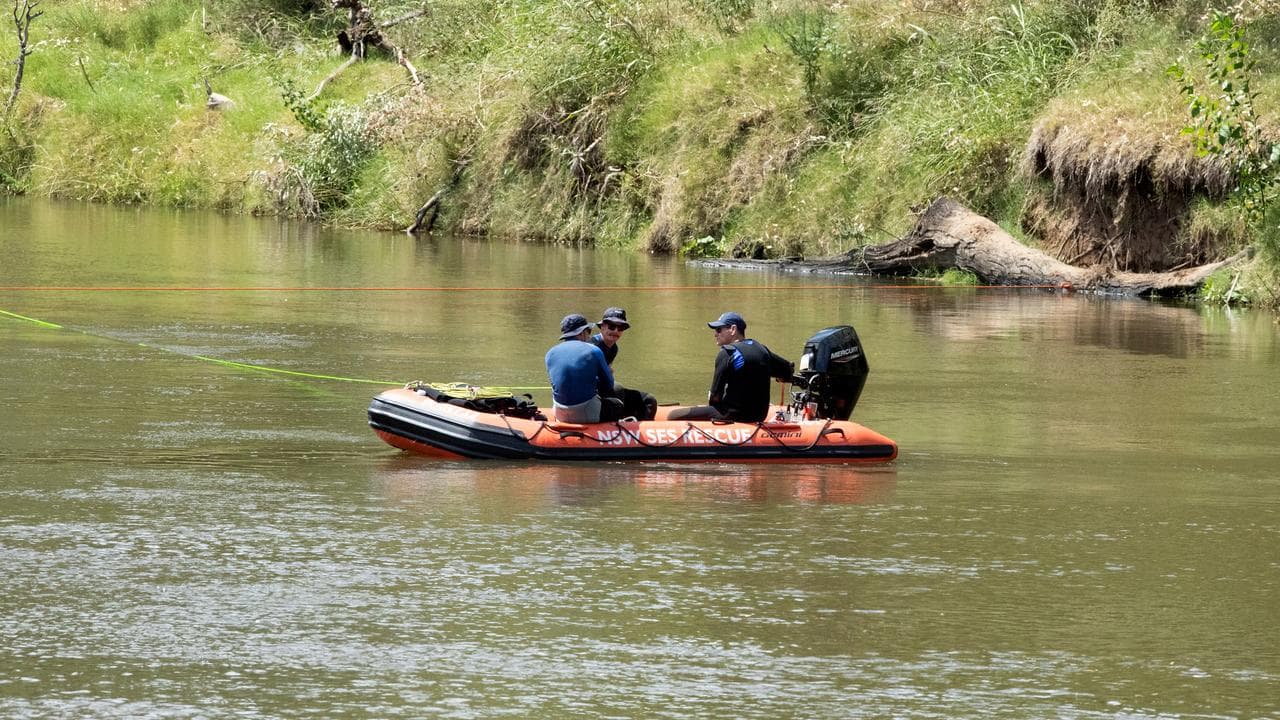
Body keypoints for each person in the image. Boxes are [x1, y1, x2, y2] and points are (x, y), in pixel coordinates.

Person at [667, 311, 794, 423]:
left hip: (732, 415)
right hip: (759, 416)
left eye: (719, 330)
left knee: (672, 416)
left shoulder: (727, 353)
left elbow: (715, 397)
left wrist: (711, 406)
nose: (715, 334)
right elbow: (787, 370)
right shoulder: (762, 349)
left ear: (733, 329)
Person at [545, 313, 620, 423]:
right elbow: (608, 385)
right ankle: (608, 435)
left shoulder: (550, 353)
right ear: (582, 332)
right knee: (616, 404)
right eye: (588, 331)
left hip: (559, 413)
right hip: (586, 413)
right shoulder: (594, 350)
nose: (589, 336)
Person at [590, 307, 658, 421]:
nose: (616, 331)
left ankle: (635, 435)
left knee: (648, 400)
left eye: (620, 328)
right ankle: (613, 427)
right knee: (617, 389)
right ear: (602, 327)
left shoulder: (614, 348)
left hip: (605, 391)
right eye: (612, 326)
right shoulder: (591, 346)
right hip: (592, 396)